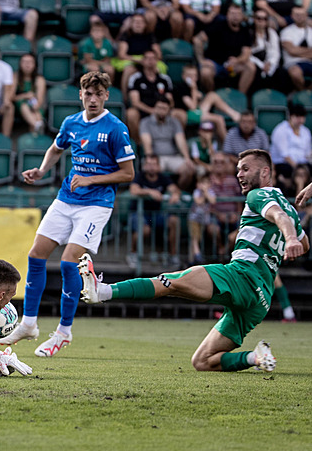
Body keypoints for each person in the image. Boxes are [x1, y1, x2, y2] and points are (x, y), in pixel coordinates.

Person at [80, 149, 310, 373]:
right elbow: (305, 243)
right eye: (238, 169)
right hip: (261, 299)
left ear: (265, 173)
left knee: (170, 283)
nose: (239, 174)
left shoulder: (258, 195)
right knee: (202, 361)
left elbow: (278, 218)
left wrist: (289, 239)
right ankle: (256, 357)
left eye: (246, 169)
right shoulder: (290, 209)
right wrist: (290, 239)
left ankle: (103, 291)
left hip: (242, 276)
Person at [0, 71, 135, 357]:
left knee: (70, 261)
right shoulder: (71, 122)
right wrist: (42, 170)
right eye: (88, 94)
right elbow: (56, 149)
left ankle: (63, 332)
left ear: (106, 96)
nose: (92, 99)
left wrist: (91, 180)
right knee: (36, 254)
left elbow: (128, 173)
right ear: (80, 95)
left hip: (96, 204)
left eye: (98, 94)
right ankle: (29, 324)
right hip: (66, 198)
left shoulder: (116, 128)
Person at [126, 154, 182, 268]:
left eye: (154, 164)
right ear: (144, 166)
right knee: (144, 229)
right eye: (148, 164)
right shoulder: (140, 176)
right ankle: (132, 254)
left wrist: (175, 195)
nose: (151, 167)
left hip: (156, 214)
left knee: (174, 221)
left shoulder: (163, 177)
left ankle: (173, 255)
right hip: (139, 213)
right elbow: (133, 190)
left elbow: (175, 189)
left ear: (158, 166)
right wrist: (150, 192)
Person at [193, 3, 255, 94]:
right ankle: (211, 98)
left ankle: (240, 97)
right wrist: (201, 60)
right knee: (205, 72)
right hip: (214, 63)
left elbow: (246, 53)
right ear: (227, 15)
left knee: (250, 67)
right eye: (233, 14)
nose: (235, 17)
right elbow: (197, 39)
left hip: (231, 65)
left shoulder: (245, 31)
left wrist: (237, 60)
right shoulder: (218, 25)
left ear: (242, 16)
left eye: (238, 14)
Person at [171, 64, 240, 142]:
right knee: (219, 119)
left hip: (198, 112)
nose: (192, 78)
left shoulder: (196, 86)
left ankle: (234, 114)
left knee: (212, 95)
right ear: (183, 76)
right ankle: (229, 146)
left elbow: (198, 103)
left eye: (194, 76)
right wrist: (194, 90)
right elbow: (192, 107)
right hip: (188, 114)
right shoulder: (181, 87)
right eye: (189, 75)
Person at [139, 96, 196, 190]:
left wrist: (187, 158)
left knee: (189, 169)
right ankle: (160, 194)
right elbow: (147, 143)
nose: (161, 111)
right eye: (159, 108)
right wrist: (151, 160)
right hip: (156, 157)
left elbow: (181, 140)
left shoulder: (175, 122)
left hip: (173, 156)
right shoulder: (145, 122)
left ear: (169, 110)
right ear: (155, 108)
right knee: (151, 169)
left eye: (164, 108)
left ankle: (178, 192)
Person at [112, 14, 166, 99]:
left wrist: (148, 60)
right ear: (131, 24)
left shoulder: (150, 36)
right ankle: (125, 98)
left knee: (157, 69)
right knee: (129, 70)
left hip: (148, 59)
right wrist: (139, 60)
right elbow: (122, 55)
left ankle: (159, 96)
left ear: (145, 25)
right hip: (131, 60)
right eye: (135, 22)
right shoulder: (126, 35)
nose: (138, 24)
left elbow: (158, 54)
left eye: (141, 22)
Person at [125, 49, 174, 140]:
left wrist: (163, 111)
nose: (150, 61)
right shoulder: (136, 78)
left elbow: (170, 100)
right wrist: (152, 111)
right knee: (131, 113)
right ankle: (139, 143)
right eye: (147, 58)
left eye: (153, 58)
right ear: (143, 61)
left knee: (178, 114)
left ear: (157, 61)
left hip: (162, 110)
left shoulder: (165, 79)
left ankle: (171, 142)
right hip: (143, 110)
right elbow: (135, 102)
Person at [208, 151, 243, 260]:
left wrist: (237, 214)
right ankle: (220, 249)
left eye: (222, 162)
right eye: (216, 162)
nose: (219, 164)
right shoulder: (207, 181)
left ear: (226, 165)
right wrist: (218, 215)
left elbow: (239, 200)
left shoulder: (232, 180)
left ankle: (226, 251)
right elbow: (206, 205)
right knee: (212, 229)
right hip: (214, 216)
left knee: (241, 231)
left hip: (233, 216)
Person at [270, 104, 312, 191]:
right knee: (294, 172)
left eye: (302, 117)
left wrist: (303, 168)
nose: (300, 120)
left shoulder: (306, 131)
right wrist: (298, 169)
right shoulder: (280, 130)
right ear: (290, 116)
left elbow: (308, 154)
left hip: (302, 164)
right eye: (297, 117)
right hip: (284, 164)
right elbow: (285, 155)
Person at [249, 8, 282, 93]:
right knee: (254, 71)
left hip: (269, 63)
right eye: (258, 18)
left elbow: (276, 52)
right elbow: (247, 54)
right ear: (254, 19)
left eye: (264, 19)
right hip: (255, 62)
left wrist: (270, 63)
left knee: (282, 74)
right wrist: (262, 65)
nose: (261, 21)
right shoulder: (248, 32)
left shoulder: (272, 33)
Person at [12, 53, 46, 133]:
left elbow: (40, 100)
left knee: (36, 114)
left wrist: (36, 107)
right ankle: (37, 125)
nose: (27, 65)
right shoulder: (15, 77)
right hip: (19, 106)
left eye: (30, 62)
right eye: (24, 62)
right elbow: (12, 97)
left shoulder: (39, 79)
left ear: (35, 64)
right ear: (20, 64)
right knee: (24, 106)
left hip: (34, 105)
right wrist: (25, 96)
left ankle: (36, 128)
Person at [280, 6, 312, 92]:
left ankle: (308, 94)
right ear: (292, 16)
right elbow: (292, 51)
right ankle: (304, 93)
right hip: (293, 63)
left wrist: (297, 51)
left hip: (310, 62)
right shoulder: (286, 31)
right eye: (297, 14)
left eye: (302, 14)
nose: (299, 16)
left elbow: (295, 50)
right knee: (295, 73)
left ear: (306, 15)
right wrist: (309, 52)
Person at [188, 171, 217, 265]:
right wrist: (204, 193)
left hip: (204, 219)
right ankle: (196, 255)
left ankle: (192, 260)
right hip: (194, 218)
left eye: (206, 183)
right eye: (202, 183)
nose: (204, 185)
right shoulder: (196, 192)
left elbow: (213, 201)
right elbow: (198, 202)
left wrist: (206, 192)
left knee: (198, 238)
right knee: (194, 237)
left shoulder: (211, 192)